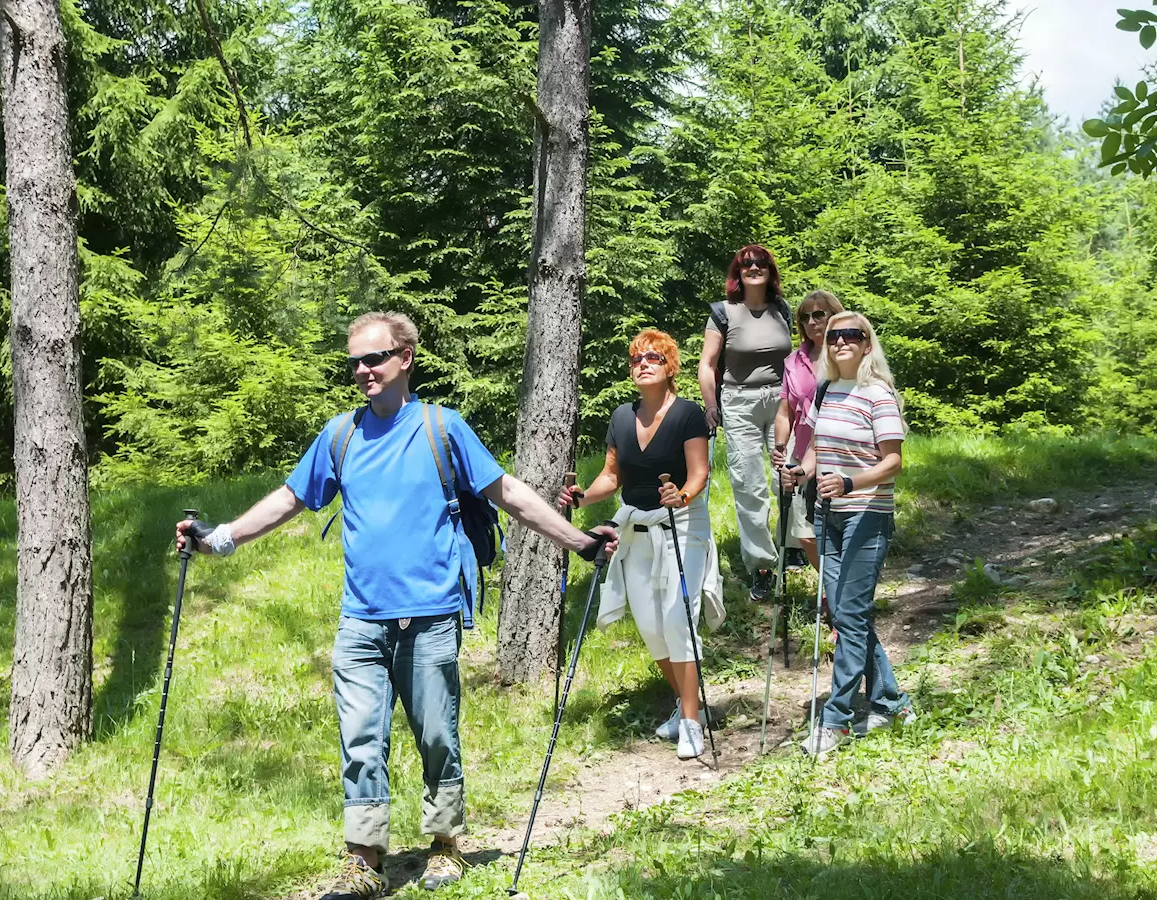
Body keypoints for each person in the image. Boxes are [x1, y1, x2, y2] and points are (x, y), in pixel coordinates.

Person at [175, 312, 618, 899]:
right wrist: (221, 538)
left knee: (437, 734)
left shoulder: (443, 429)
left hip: (430, 614)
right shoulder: (340, 437)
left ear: (405, 358)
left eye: (374, 358)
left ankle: (445, 846)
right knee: (360, 739)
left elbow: (507, 492)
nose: (363, 370)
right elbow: (288, 499)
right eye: (355, 361)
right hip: (360, 619)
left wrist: (580, 541)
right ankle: (364, 860)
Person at [558, 330, 724, 760]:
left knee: (678, 622)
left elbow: (699, 473)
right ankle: (690, 705)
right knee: (652, 630)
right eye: (635, 359)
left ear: (670, 367)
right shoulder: (620, 417)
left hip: (682, 525)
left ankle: (690, 723)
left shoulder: (687, 414)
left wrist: (681, 495)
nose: (642, 364)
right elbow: (613, 477)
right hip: (637, 531)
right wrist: (582, 497)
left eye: (653, 357)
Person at [783, 311, 916, 757]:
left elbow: (893, 462)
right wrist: (799, 472)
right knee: (845, 615)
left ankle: (836, 720)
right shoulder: (826, 390)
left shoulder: (878, 395)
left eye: (851, 335)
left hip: (866, 515)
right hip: (829, 515)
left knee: (850, 617)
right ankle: (892, 703)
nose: (841, 342)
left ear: (866, 344)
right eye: (835, 335)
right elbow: (819, 449)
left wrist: (850, 482)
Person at [698, 244, 793, 601]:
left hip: (783, 400)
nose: (754, 268)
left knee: (788, 475)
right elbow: (707, 364)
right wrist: (711, 405)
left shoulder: (781, 309)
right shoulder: (723, 313)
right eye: (746, 264)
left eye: (760, 263)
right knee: (749, 485)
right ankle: (762, 565)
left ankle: (792, 543)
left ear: (770, 270)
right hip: (739, 402)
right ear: (738, 272)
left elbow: (797, 358)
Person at [772, 289, 845, 573]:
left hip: (842, 451)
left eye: (819, 314)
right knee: (805, 532)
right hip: (803, 453)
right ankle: (830, 589)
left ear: (833, 316)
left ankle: (846, 592)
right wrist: (780, 448)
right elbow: (784, 411)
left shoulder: (845, 353)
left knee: (838, 526)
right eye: (805, 317)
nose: (812, 321)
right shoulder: (792, 361)